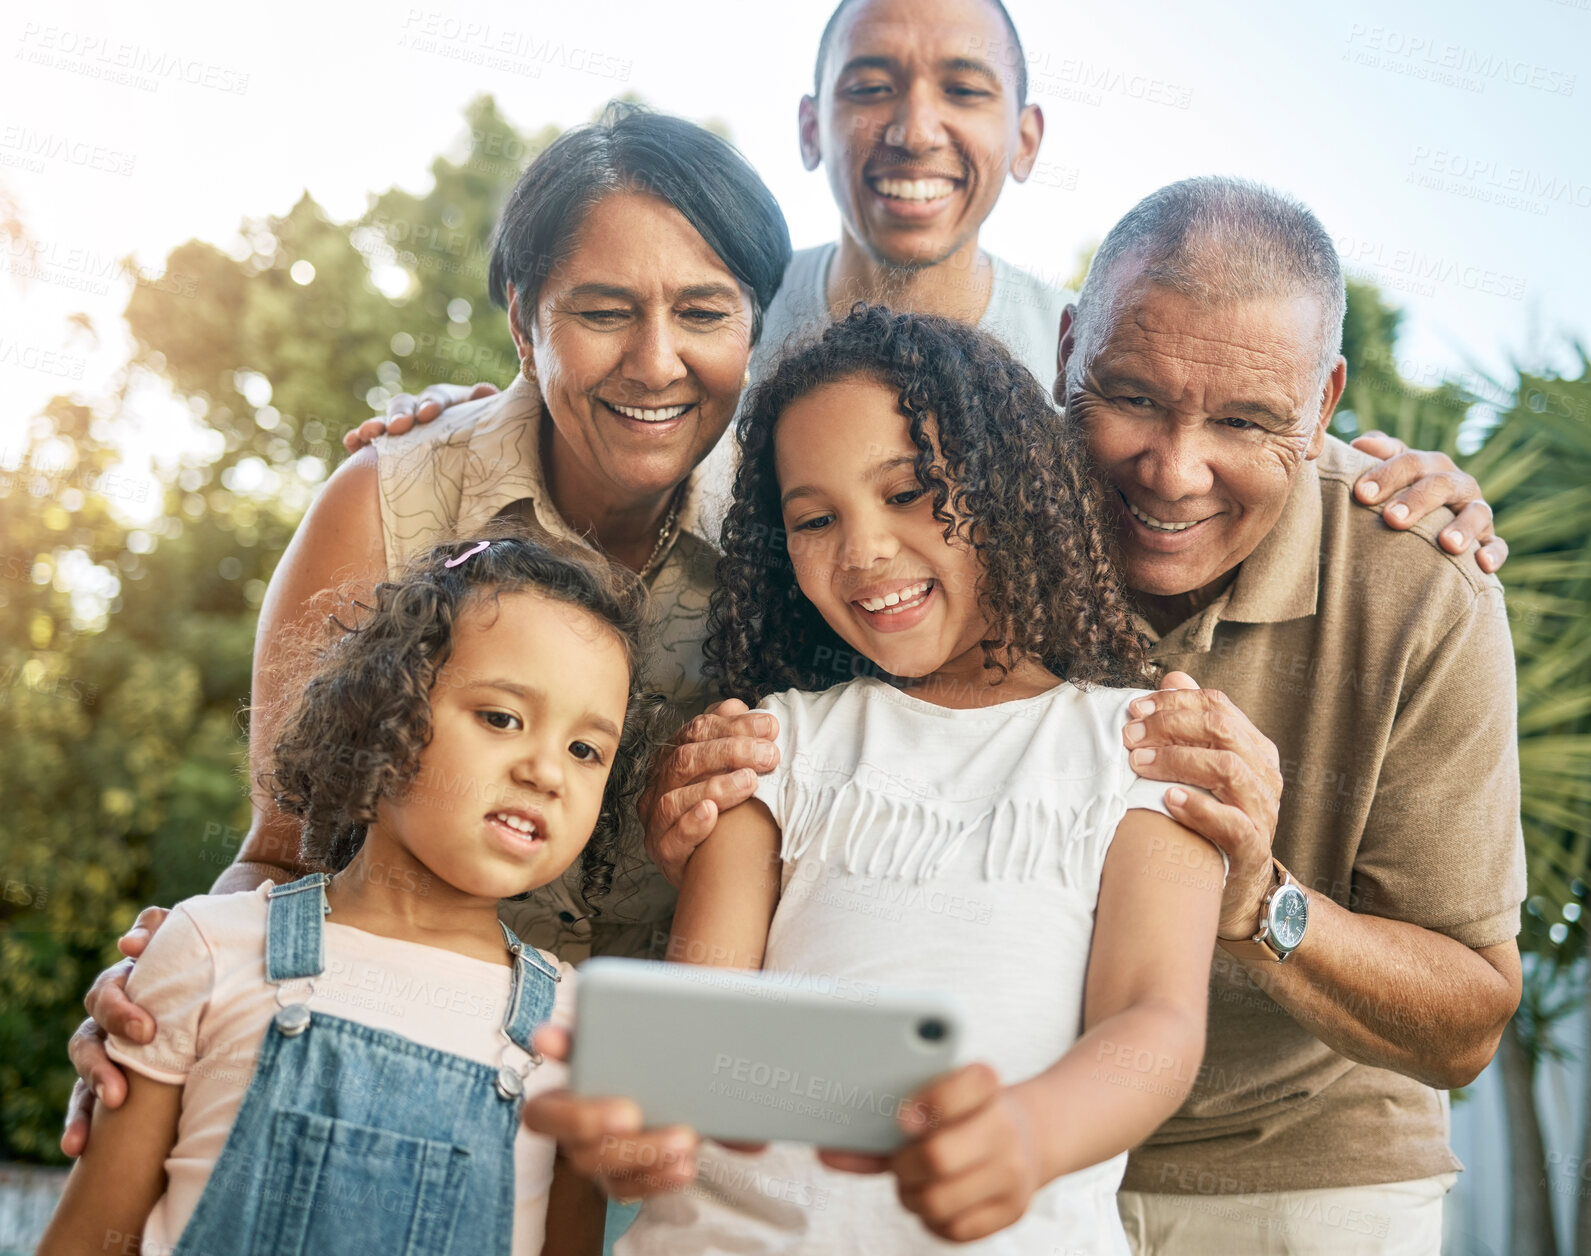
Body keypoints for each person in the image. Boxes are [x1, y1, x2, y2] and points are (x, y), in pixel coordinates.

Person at [641, 179, 1526, 1254]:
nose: (1174, 470)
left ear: (1322, 400)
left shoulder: (1411, 583)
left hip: (1286, 1157)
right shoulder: (985, 484)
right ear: (1066, 355)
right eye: (1133, 397)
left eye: (1245, 420)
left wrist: (1260, 901)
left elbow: (1463, 1015)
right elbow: (690, 1056)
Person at [61, 103, 790, 1169]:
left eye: (703, 312)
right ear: (521, 316)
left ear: (752, 328)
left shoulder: (794, 543)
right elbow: (281, 851)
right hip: (372, 1082)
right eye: (601, 310)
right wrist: (167, 1000)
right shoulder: (392, 504)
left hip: (640, 1123)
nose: (655, 359)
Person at [609, 304, 1224, 1253]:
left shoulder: (1141, 751)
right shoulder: (777, 746)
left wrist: (1028, 1132)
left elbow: (1158, 1023)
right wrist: (646, 1117)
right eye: (814, 518)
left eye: (907, 492)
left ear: (1013, 489)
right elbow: (702, 1036)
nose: (862, 551)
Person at [39, 532, 658, 1255]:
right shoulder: (211, 947)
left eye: (586, 750)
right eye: (501, 718)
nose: (547, 772)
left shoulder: (577, 1028)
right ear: (383, 716)